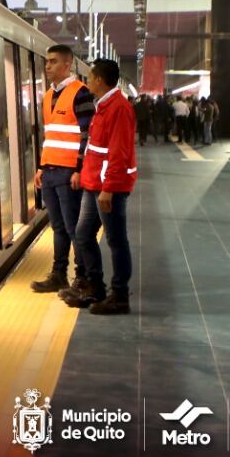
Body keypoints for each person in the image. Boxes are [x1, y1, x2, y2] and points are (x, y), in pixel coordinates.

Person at [59, 59, 137, 314]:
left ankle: (120, 295)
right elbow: (96, 148)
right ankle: (95, 286)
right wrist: (84, 173)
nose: (87, 82)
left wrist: (109, 188)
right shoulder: (102, 106)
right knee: (82, 234)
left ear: (100, 81)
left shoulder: (118, 108)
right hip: (93, 183)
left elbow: (119, 153)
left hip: (107, 188)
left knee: (116, 240)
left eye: (90, 78)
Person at [30, 45, 95, 295]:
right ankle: (59, 274)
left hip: (69, 172)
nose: (47, 66)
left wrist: (79, 169)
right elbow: (50, 136)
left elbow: (87, 135)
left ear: (67, 65)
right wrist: (41, 166)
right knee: (57, 226)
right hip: (50, 171)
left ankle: (82, 278)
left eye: (53, 62)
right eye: (47, 62)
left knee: (73, 227)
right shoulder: (47, 96)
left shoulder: (81, 93)